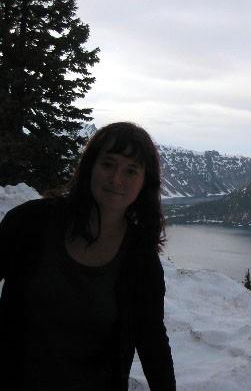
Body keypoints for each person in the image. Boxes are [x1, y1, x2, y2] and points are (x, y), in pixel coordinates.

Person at [0, 122, 176, 390]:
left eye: (131, 171)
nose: (116, 179)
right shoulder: (31, 222)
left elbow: (150, 337)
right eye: (108, 164)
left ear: (144, 182)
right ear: (89, 166)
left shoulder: (139, 257)